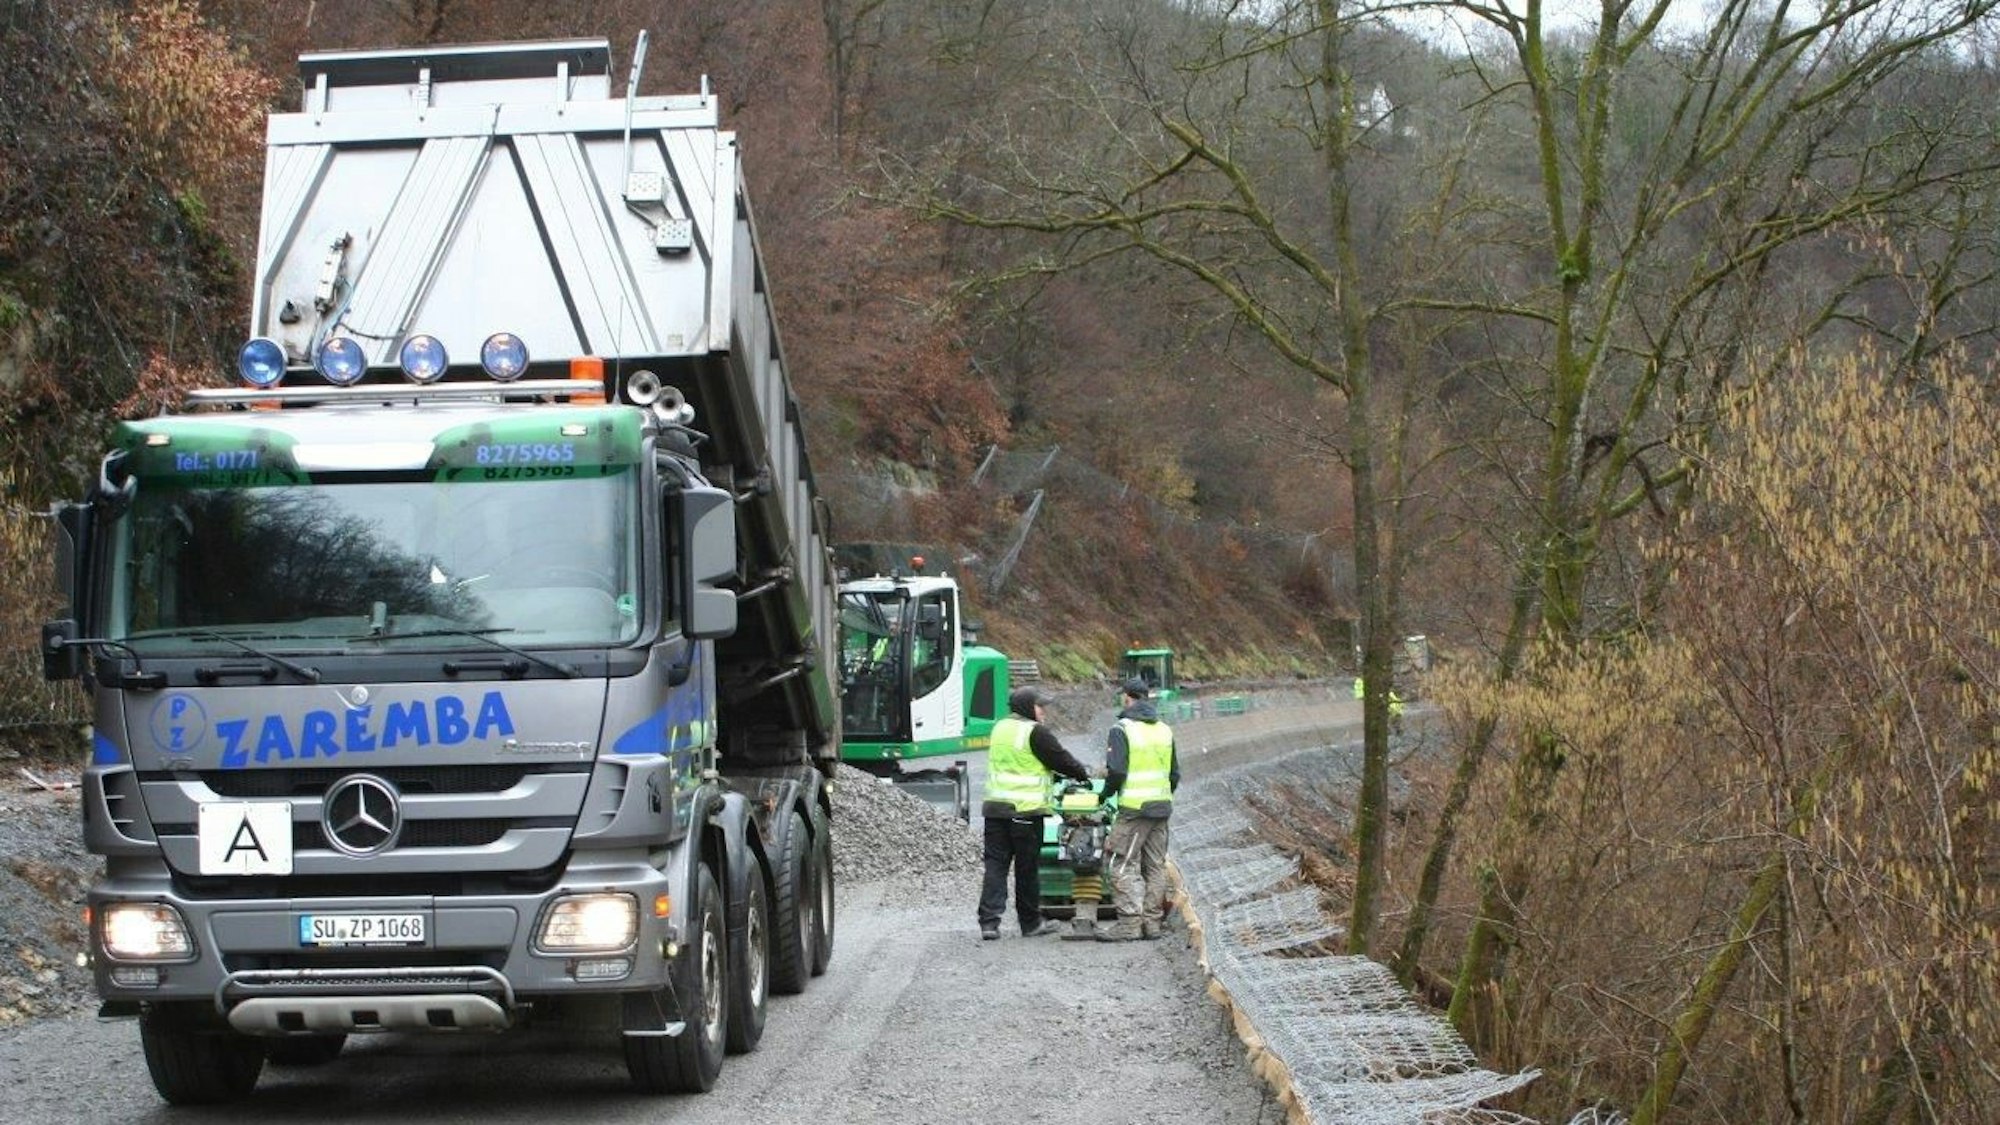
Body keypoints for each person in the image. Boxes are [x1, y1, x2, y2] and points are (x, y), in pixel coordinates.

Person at [978, 686, 1092, 940]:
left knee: (995, 866)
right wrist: (1082, 773)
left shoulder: (1000, 728)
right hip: (1025, 812)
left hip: (995, 809)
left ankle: (989, 923)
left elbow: (1023, 761)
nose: (1044, 713)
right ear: (1029, 707)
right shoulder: (1034, 732)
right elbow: (1060, 759)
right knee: (1026, 868)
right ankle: (1030, 923)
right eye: (1041, 707)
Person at [1098, 677, 1179, 942]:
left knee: (1121, 862)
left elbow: (1117, 770)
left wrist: (1105, 794)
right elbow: (1174, 774)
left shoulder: (1122, 729)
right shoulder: (1164, 730)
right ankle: (1151, 924)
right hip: (1161, 806)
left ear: (1127, 698)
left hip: (1134, 810)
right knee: (1155, 865)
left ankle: (1130, 924)